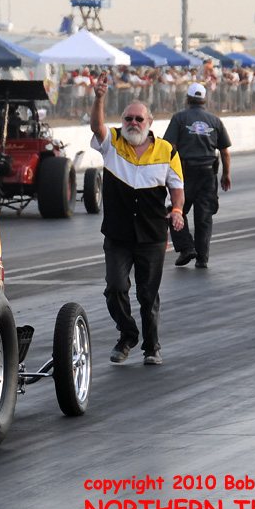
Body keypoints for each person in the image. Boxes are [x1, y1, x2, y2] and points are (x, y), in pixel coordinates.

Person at [90, 71, 185, 366]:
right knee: (115, 288)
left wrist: (178, 210)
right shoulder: (112, 142)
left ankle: (152, 347)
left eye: (138, 119)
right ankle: (128, 335)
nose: (133, 123)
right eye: (128, 118)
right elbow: (96, 126)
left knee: (148, 294)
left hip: (152, 235)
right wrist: (99, 97)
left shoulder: (167, 150)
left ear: (149, 123)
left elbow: (177, 188)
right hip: (118, 235)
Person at [163, 82, 232, 269]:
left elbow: (169, 147)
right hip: (209, 173)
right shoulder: (215, 120)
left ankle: (186, 248)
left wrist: (168, 172)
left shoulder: (179, 118)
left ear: (187, 99)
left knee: (175, 209)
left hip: (185, 172)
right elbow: (224, 152)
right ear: (205, 99)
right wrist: (226, 174)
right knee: (204, 217)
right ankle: (202, 258)